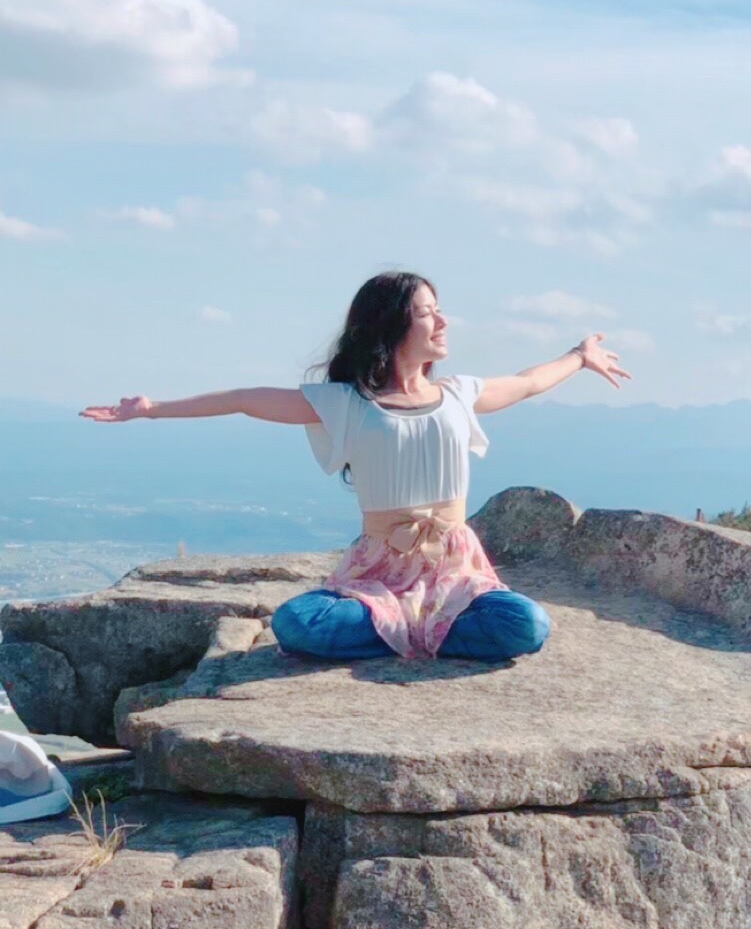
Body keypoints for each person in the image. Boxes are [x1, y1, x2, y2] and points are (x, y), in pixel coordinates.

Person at [80, 271, 631, 663]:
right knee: (297, 623)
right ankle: (419, 633)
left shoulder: (459, 393)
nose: (442, 321)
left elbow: (528, 381)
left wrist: (579, 357)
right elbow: (245, 399)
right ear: (391, 326)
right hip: (377, 575)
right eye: (426, 312)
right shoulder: (346, 403)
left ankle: (412, 633)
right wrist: (151, 409)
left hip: (454, 571)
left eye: (438, 309)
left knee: (527, 625)